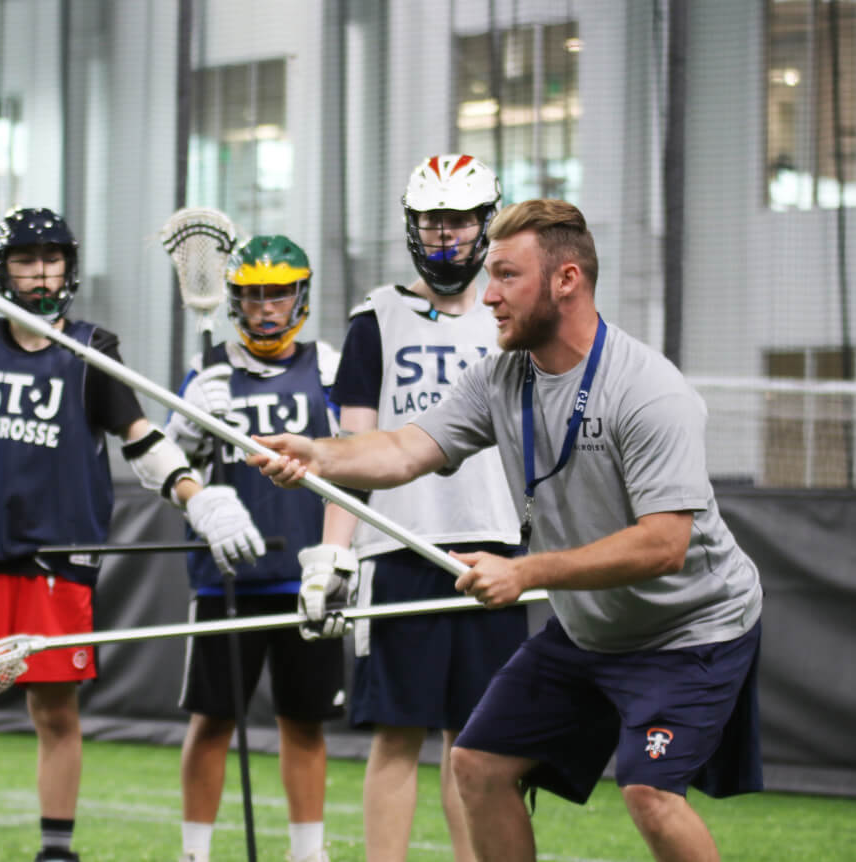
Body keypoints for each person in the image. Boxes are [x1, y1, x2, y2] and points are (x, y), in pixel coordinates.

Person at [250, 198, 764, 862]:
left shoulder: (650, 393)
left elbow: (662, 545)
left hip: (689, 633)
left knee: (649, 794)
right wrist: (319, 456)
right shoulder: (501, 377)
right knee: (478, 765)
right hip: (590, 631)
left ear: (566, 280)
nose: (487, 295)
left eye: (506, 276)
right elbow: (406, 448)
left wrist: (523, 571)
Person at [0, 206, 267, 862]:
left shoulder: (91, 351)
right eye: (26, 260)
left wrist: (201, 500)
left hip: (55, 564)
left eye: (51, 259)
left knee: (54, 712)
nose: (40, 272)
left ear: (69, 268)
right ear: (4, 271)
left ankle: (56, 851)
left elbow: (142, 443)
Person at [297, 154, 526, 862]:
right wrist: (333, 553)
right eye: (432, 221)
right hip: (398, 546)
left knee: (478, 741)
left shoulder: (510, 316)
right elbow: (352, 448)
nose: (445, 236)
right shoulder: (376, 318)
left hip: (492, 546)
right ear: (411, 227)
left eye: (458, 221)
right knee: (396, 733)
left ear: (485, 225)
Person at [165, 235, 343, 862]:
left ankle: (307, 851)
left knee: (305, 721)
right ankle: (195, 852)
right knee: (213, 720)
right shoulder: (209, 372)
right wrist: (188, 417)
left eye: (279, 293)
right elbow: (168, 466)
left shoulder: (327, 366)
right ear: (235, 302)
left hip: (308, 574)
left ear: (301, 295)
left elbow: (355, 459)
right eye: (253, 295)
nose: (267, 308)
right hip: (226, 577)